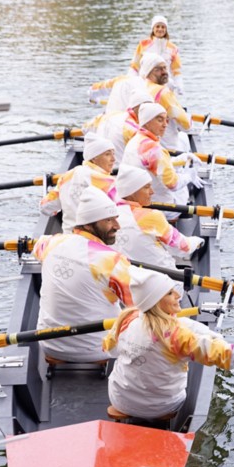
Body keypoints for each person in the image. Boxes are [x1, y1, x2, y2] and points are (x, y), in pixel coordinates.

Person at [103, 267, 234, 420]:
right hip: (160, 406)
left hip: (120, 399)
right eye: (170, 293)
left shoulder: (126, 318)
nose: (178, 296)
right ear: (156, 302)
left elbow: (109, 351)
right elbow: (229, 356)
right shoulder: (177, 337)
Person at [33, 187, 134, 362]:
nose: (117, 226)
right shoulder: (113, 260)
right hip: (99, 350)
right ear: (88, 224)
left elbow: (36, 246)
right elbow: (138, 305)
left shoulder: (51, 243)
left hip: (50, 345)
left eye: (116, 219)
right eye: (109, 220)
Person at [114, 164, 204, 269]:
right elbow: (183, 247)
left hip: (126, 278)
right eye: (147, 187)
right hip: (162, 280)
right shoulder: (151, 216)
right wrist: (198, 241)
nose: (152, 192)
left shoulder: (109, 216)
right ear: (132, 192)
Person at [121, 102, 202, 211]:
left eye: (166, 120)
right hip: (160, 207)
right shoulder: (153, 149)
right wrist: (189, 176)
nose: (165, 125)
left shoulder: (135, 140)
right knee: (183, 182)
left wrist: (180, 160)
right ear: (147, 122)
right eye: (159, 120)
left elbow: (154, 166)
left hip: (138, 201)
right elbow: (173, 184)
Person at [40, 133, 117, 233]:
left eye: (113, 153)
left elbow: (45, 207)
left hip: (69, 236)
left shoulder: (66, 176)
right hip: (95, 238)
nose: (113, 159)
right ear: (94, 158)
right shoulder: (107, 181)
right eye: (107, 154)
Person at [82, 89, 154, 167]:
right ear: (138, 107)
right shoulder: (134, 129)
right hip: (120, 172)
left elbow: (85, 128)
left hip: (99, 167)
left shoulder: (107, 115)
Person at [139, 52, 191, 152]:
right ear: (148, 72)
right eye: (158, 69)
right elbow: (186, 126)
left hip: (145, 146)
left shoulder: (140, 87)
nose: (164, 72)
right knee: (184, 136)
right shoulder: (163, 93)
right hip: (168, 148)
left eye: (164, 68)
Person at [128, 15, 184, 95]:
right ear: (153, 29)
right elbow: (134, 67)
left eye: (163, 27)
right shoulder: (143, 44)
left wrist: (179, 86)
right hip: (145, 86)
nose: (160, 29)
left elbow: (176, 71)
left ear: (166, 29)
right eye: (157, 26)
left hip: (165, 85)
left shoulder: (173, 48)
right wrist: (132, 83)